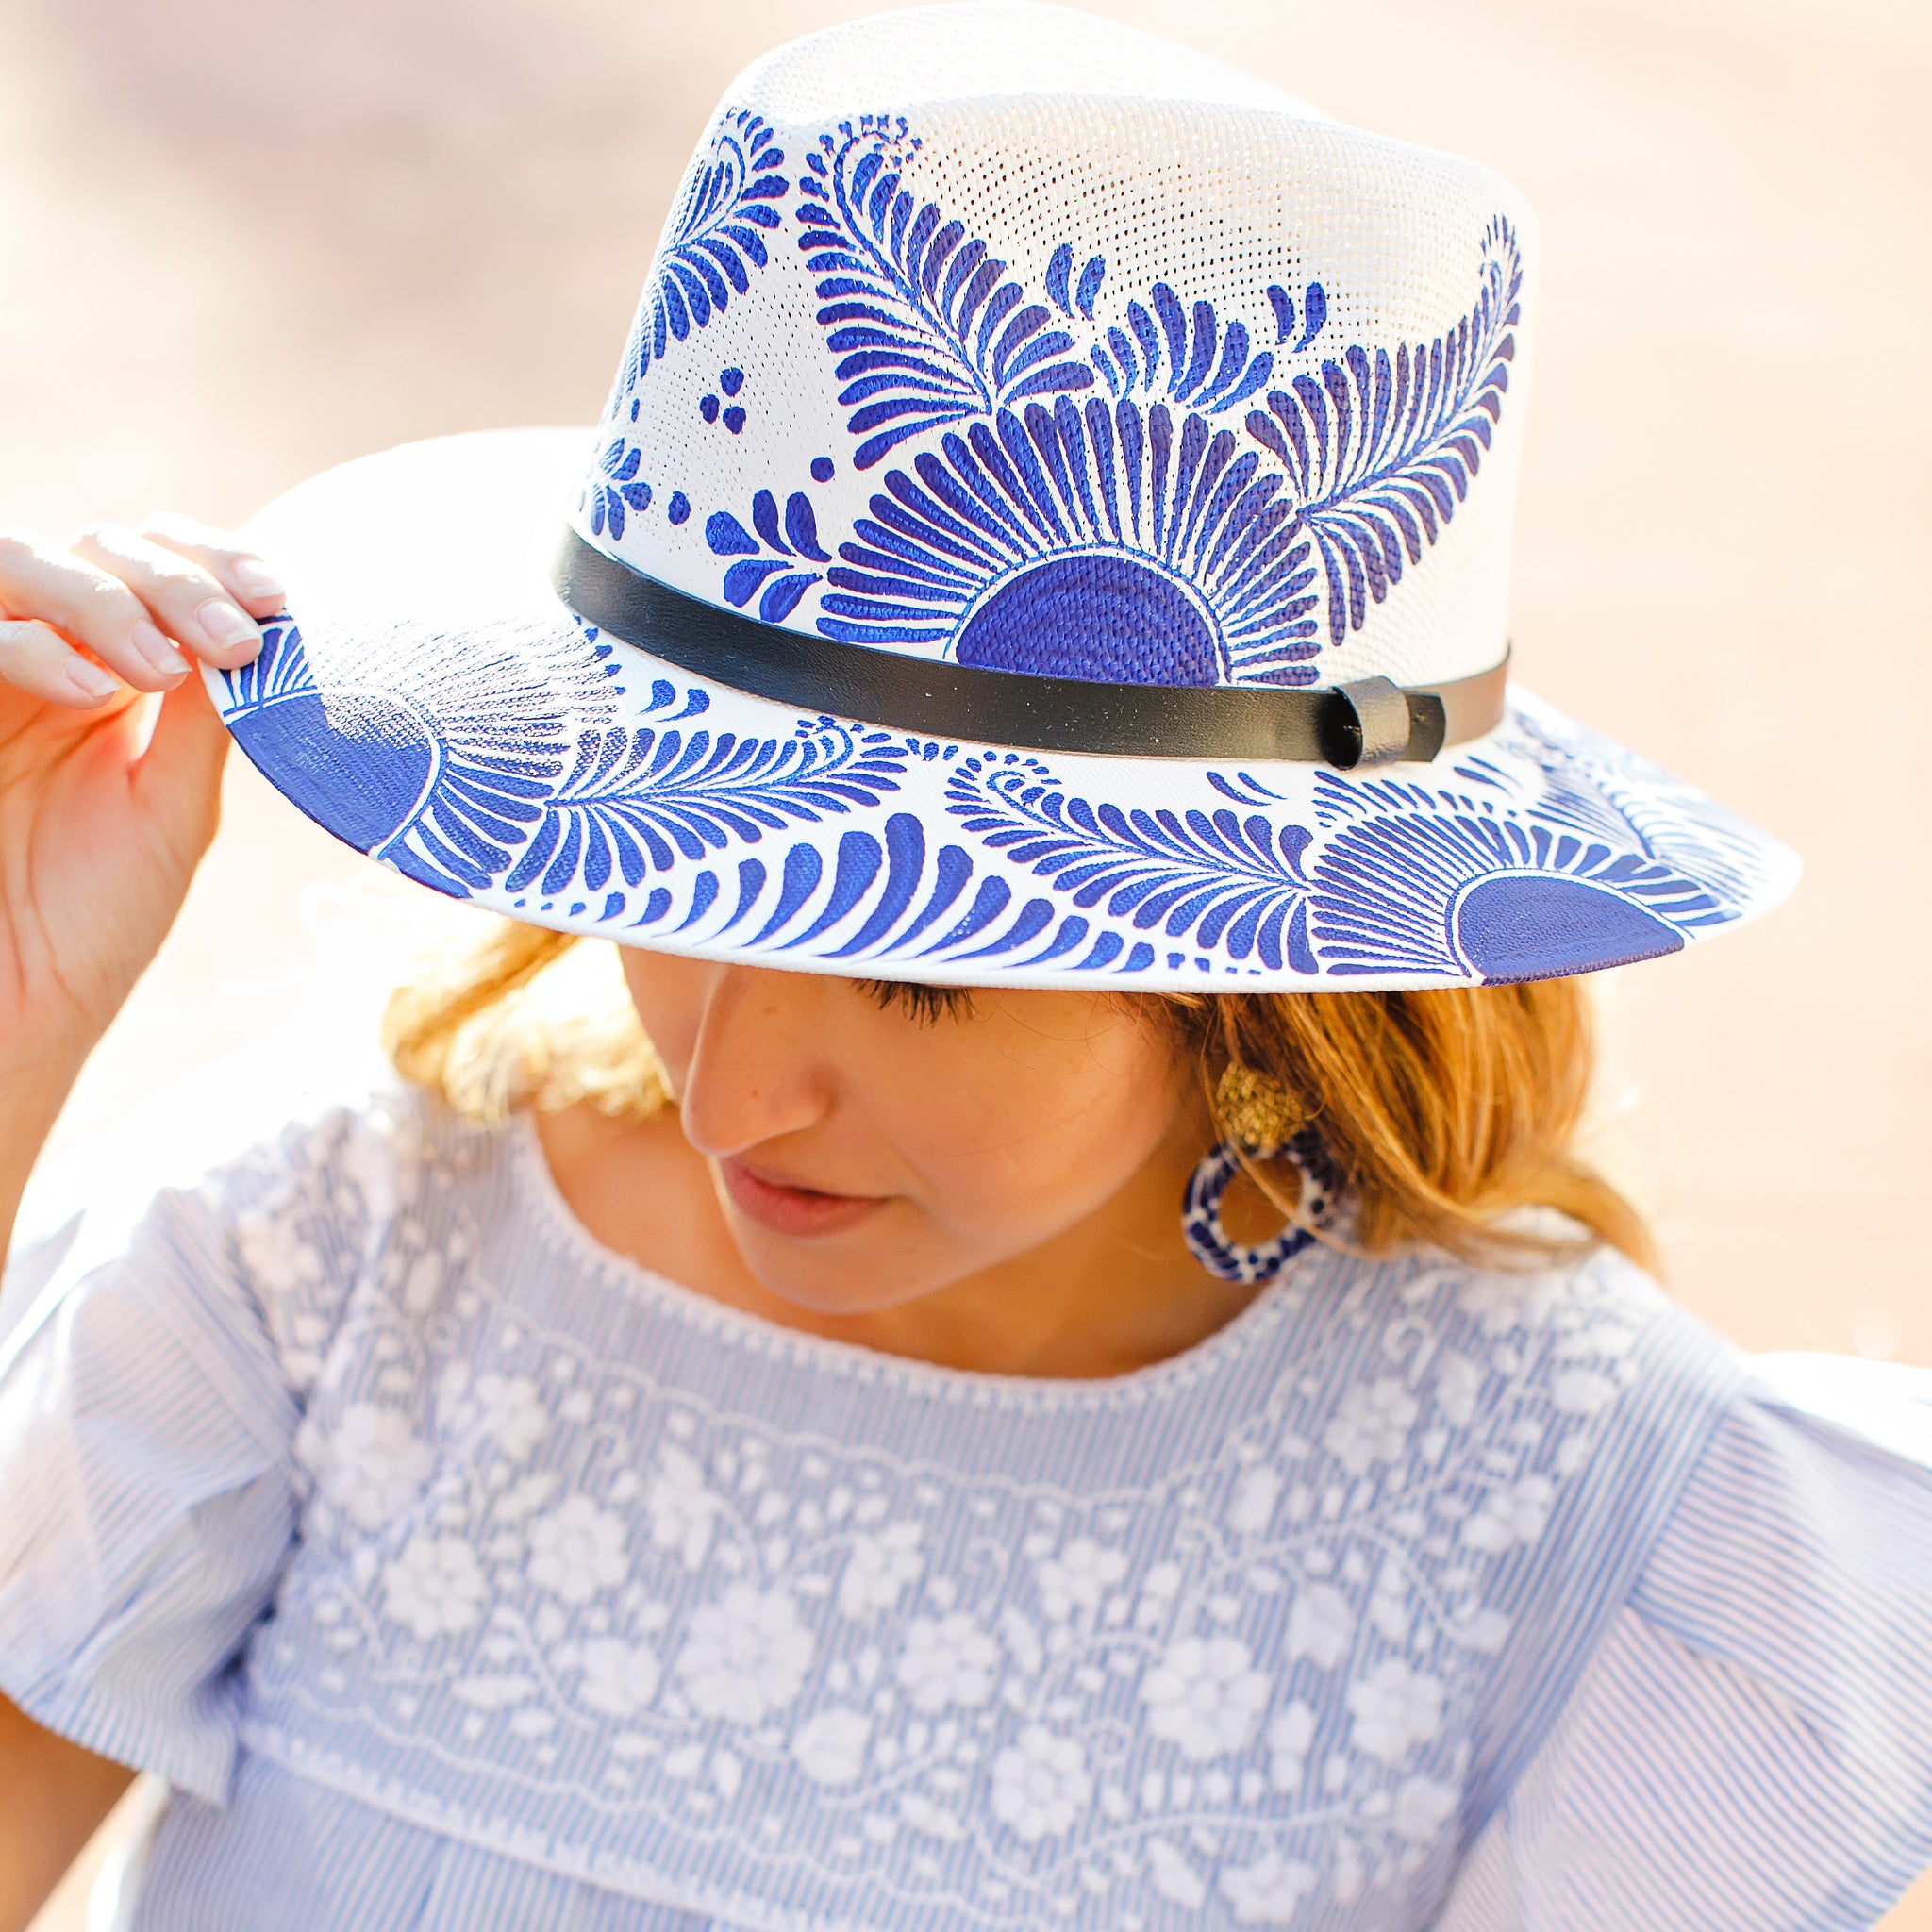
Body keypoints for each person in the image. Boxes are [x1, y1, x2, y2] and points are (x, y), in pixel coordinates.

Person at [2, 7, 1928, 1928]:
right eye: (685, 877)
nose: (729, 1087)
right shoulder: (324, 1249)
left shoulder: (1594, 1537)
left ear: (1261, 978)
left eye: (920, 976)